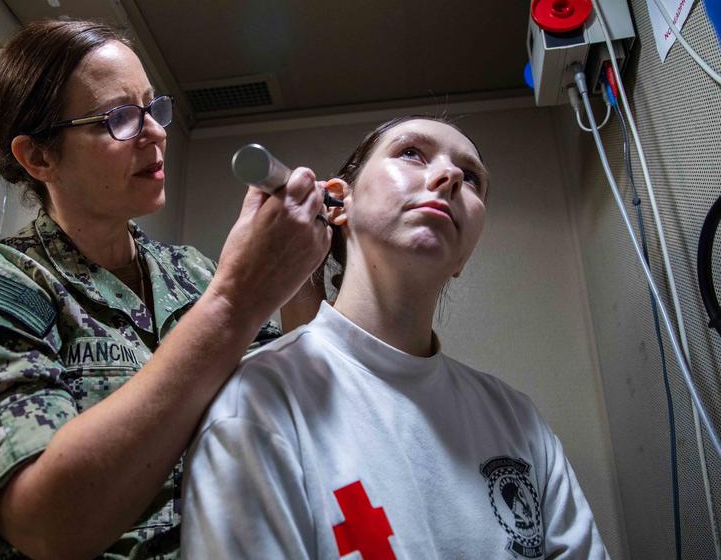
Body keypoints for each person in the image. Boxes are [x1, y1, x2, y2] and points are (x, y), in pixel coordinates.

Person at [0, 19, 330, 560]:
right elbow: (47, 526)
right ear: (39, 157)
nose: (156, 132)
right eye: (118, 118)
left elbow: (297, 401)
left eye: (153, 108)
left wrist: (301, 266)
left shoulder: (194, 273)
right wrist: (237, 301)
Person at [182, 116, 609, 559]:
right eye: (411, 153)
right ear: (338, 206)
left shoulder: (517, 421)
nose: (450, 177)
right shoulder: (259, 402)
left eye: (472, 179)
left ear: (464, 255)